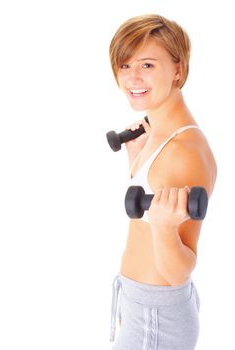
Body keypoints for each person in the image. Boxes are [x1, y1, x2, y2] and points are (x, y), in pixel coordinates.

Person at [108, 14, 217, 349]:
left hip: (156, 314)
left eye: (148, 65)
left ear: (178, 69)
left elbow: (177, 272)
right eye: (124, 66)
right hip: (139, 302)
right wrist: (136, 162)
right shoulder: (157, 130)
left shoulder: (183, 151)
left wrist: (164, 228)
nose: (133, 77)